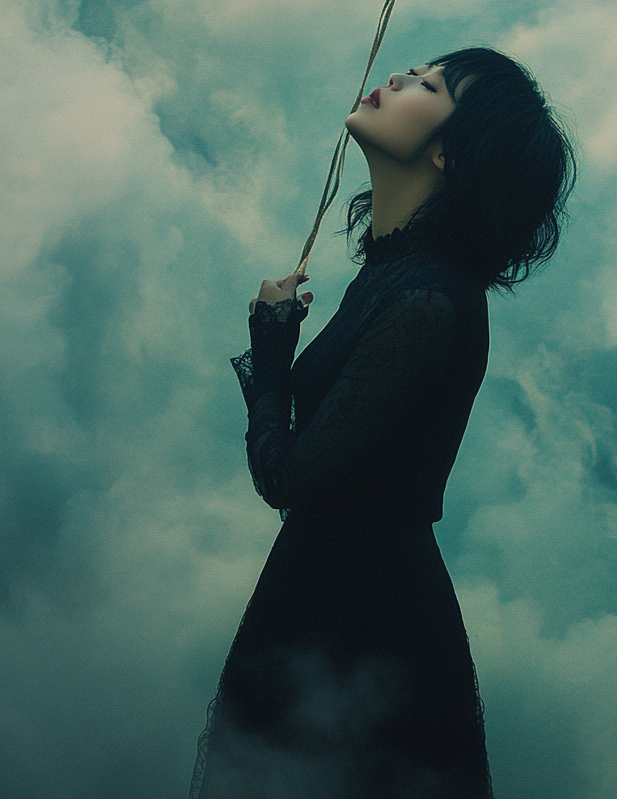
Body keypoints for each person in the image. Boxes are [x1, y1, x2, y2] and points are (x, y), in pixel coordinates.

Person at [190, 47, 575, 799]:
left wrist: (271, 352)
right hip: (328, 598)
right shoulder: (396, 269)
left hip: (363, 623)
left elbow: (289, 477)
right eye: (414, 71)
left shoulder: (426, 300)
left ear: (447, 153)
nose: (397, 78)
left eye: (429, 86)